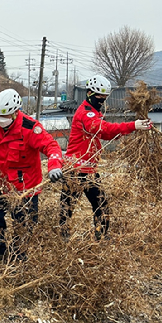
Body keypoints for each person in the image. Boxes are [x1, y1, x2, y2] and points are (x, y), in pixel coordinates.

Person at [0, 89, 64, 259]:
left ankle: (19, 255)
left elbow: (51, 147)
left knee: (24, 224)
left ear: (16, 113)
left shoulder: (30, 128)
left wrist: (54, 166)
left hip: (26, 187)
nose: (1, 121)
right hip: (3, 182)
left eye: (6, 117)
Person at [59, 75, 152, 241]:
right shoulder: (86, 113)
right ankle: (64, 238)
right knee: (67, 206)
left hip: (88, 169)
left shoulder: (95, 112)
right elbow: (103, 129)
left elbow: (105, 133)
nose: (102, 100)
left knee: (100, 205)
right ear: (89, 93)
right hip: (75, 169)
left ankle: (102, 237)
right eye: (99, 97)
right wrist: (132, 125)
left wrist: (126, 131)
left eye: (105, 98)